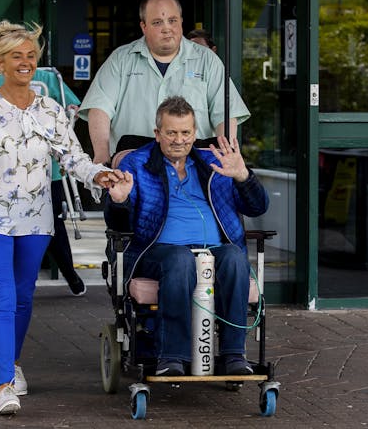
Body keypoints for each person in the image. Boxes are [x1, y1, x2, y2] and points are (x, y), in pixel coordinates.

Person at [0, 20, 122, 416]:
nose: (25, 62)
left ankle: (13, 363)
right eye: (16, 56)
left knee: (23, 295)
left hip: (36, 218)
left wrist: (98, 175)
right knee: (2, 296)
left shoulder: (50, 110)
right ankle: (4, 386)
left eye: (31, 55)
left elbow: (73, 158)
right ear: (0, 62)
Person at [105, 96, 268, 377]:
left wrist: (243, 176)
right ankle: (172, 357)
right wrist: (119, 202)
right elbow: (119, 223)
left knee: (233, 257)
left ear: (194, 133)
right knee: (180, 260)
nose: (179, 140)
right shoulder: (137, 163)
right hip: (156, 250)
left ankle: (233, 355)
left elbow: (258, 207)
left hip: (214, 250)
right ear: (158, 134)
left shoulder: (214, 162)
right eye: (171, 133)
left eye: (185, 133)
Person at [77, 0, 250, 165]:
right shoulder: (120, 59)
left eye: (172, 20)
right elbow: (99, 109)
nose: (167, 28)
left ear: (181, 21)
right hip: (133, 168)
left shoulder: (207, 60)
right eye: (157, 22)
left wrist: (226, 157)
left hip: (192, 169)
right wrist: (102, 156)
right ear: (144, 27)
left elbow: (225, 115)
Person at [0, 69, 87, 296]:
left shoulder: (50, 79)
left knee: (52, 222)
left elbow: (72, 107)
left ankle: (68, 274)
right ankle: (13, 285)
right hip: (5, 172)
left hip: (44, 170)